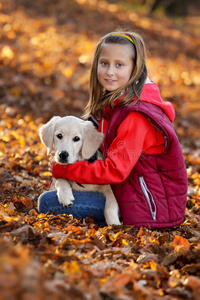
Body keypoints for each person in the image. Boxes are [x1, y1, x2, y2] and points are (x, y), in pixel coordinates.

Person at [38, 30, 188, 228]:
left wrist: (67, 170)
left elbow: (115, 171)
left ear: (135, 69)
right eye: (104, 63)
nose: (110, 71)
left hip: (149, 207)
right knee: (54, 196)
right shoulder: (113, 105)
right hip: (126, 193)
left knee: (47, 202)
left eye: (119, 65)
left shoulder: (136, 115)